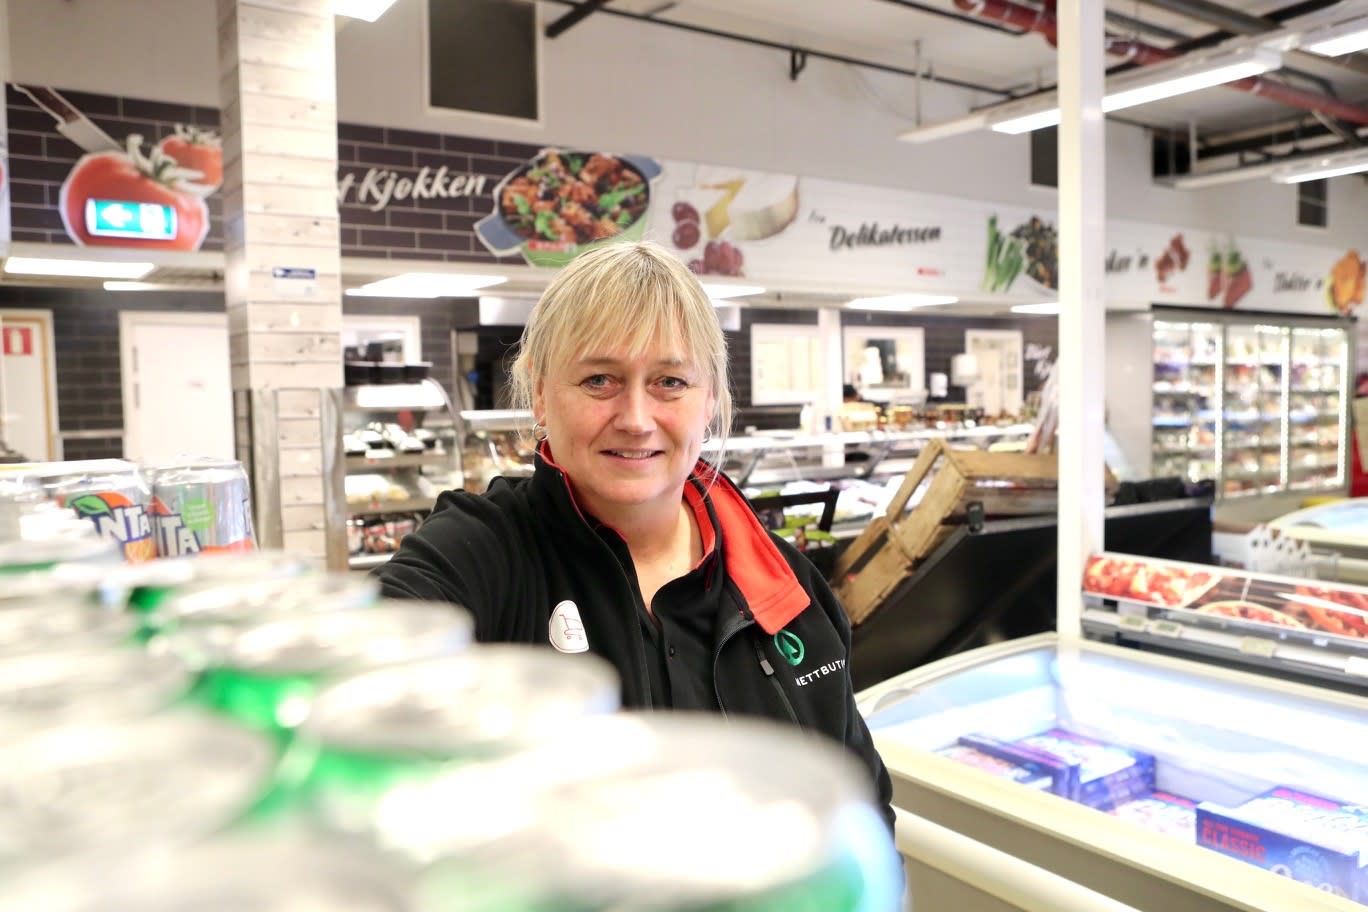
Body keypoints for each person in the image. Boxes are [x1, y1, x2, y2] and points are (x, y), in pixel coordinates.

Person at [375, 240, 894, 830]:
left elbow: (862, 809)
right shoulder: (481, 552)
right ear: (540, 391)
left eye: (670, 381)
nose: (637, 419)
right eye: (599, 379)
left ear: (710, 399)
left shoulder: (785, 587)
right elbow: (356, 673)